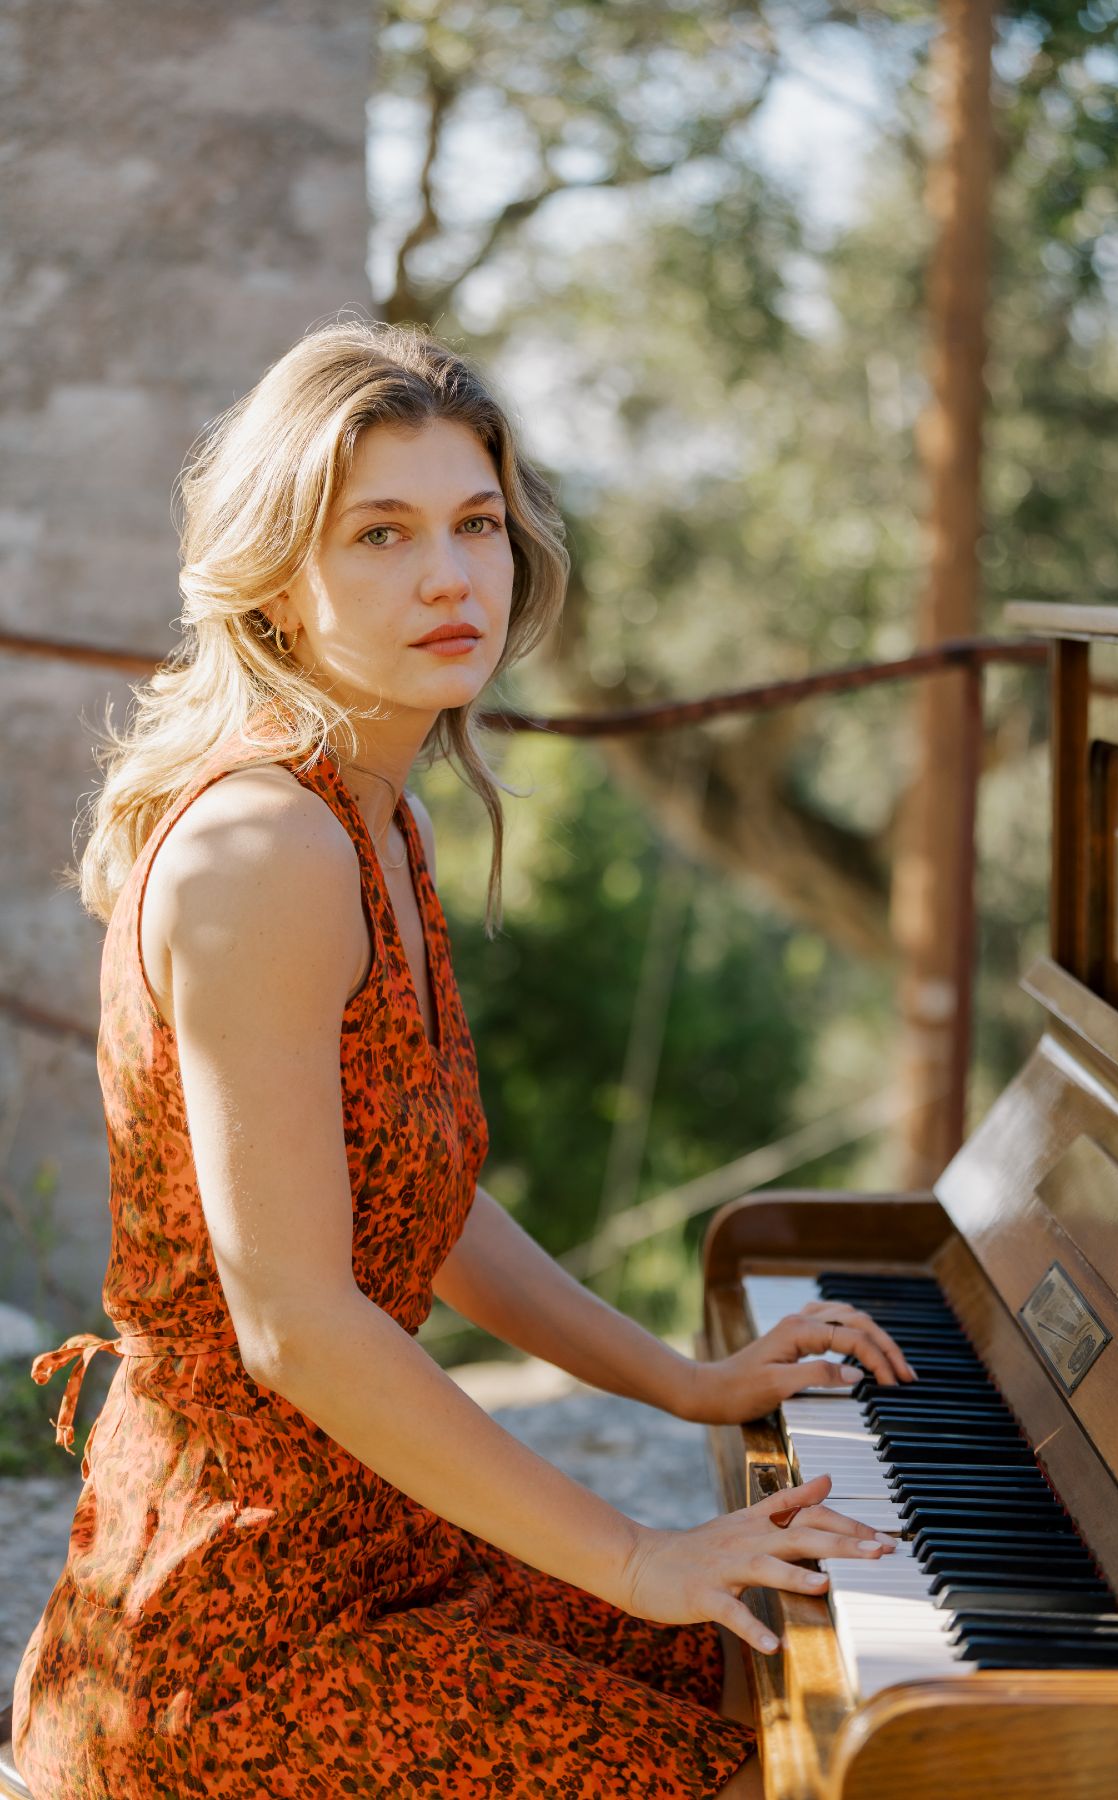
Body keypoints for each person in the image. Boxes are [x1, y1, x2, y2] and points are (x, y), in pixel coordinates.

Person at [13, 316, 915, 1800]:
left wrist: (685, 1387)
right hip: (247, 1630)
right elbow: (296, 1319)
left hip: (378, 1541)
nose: (450, 576)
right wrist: (634, 1555)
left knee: (793, 1681)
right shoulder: (265, 848)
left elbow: (423, 1200)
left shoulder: (375, 811)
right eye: (379, 533)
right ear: (279, 585)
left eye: (476, 524)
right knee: (760, 1774)